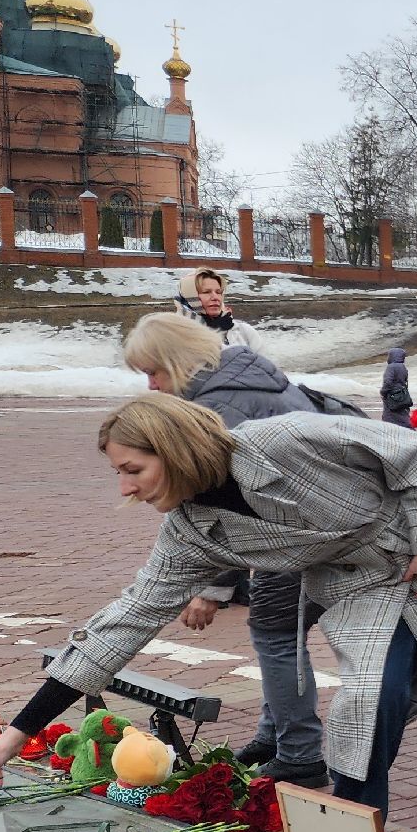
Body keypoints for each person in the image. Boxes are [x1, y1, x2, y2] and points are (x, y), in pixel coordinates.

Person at [0, 395, 417, 832]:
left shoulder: (282, 441)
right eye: (119, 474)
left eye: (133, 470)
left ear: (174, 449)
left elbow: (410, 452)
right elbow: (122, 624)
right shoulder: (190, 530)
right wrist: (13, 739)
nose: (125, 489)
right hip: (361, 582)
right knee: (368, 699)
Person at [121, 312, 328, 787]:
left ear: (176, 359)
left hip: (298, 534)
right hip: (297, 529)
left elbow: (225, 503)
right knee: (278, 632)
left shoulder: (220, 405)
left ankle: (299, 753)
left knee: (277, 634)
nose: (151, 385)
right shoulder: (243, 378)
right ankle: (275, 736)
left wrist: (210, 588)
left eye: (153, 371)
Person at [176, 268, 265, 353]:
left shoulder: (244, 331)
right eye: (206, 292)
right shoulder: (175, 334)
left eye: (218, 292)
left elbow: (263, 362)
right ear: (190, 297)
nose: (215, 297)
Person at [381, 348, 415, 428]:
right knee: (402, 415)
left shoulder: (391, 367)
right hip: (402, 395)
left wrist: (383, 392)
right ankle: (408, 429)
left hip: (392, 396)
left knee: (390, 417)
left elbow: (388, 382)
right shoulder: (403, 367)